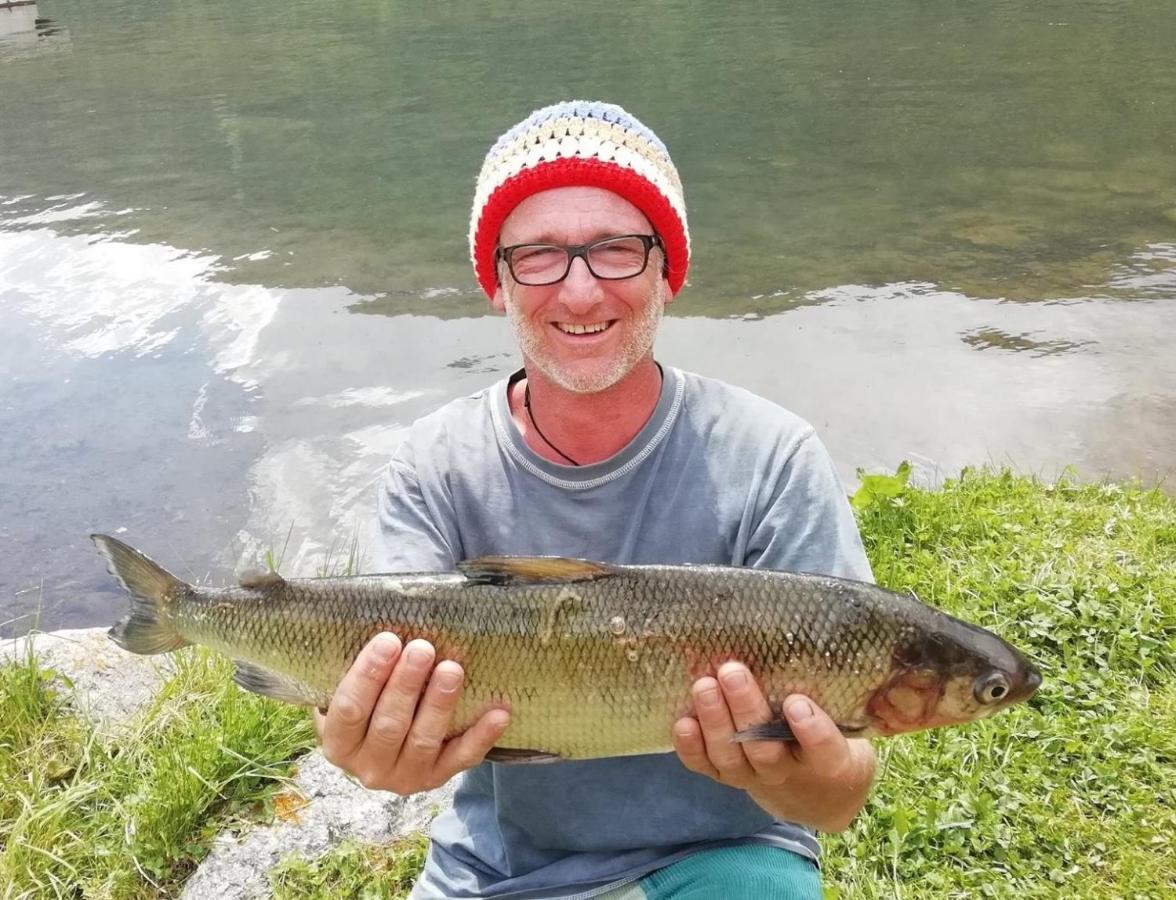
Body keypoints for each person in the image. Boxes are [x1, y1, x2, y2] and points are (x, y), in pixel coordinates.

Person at [315, 101, 877, 900]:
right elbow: (374, 704)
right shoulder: (437, 463)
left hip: (721, 853)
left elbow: (839, 797)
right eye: (538, 256)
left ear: (667, 273)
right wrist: (377, 751)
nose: (579, 293)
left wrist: (791, 778)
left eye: (616, 250)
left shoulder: (771, 456)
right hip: (500, 869)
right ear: (497, 284)